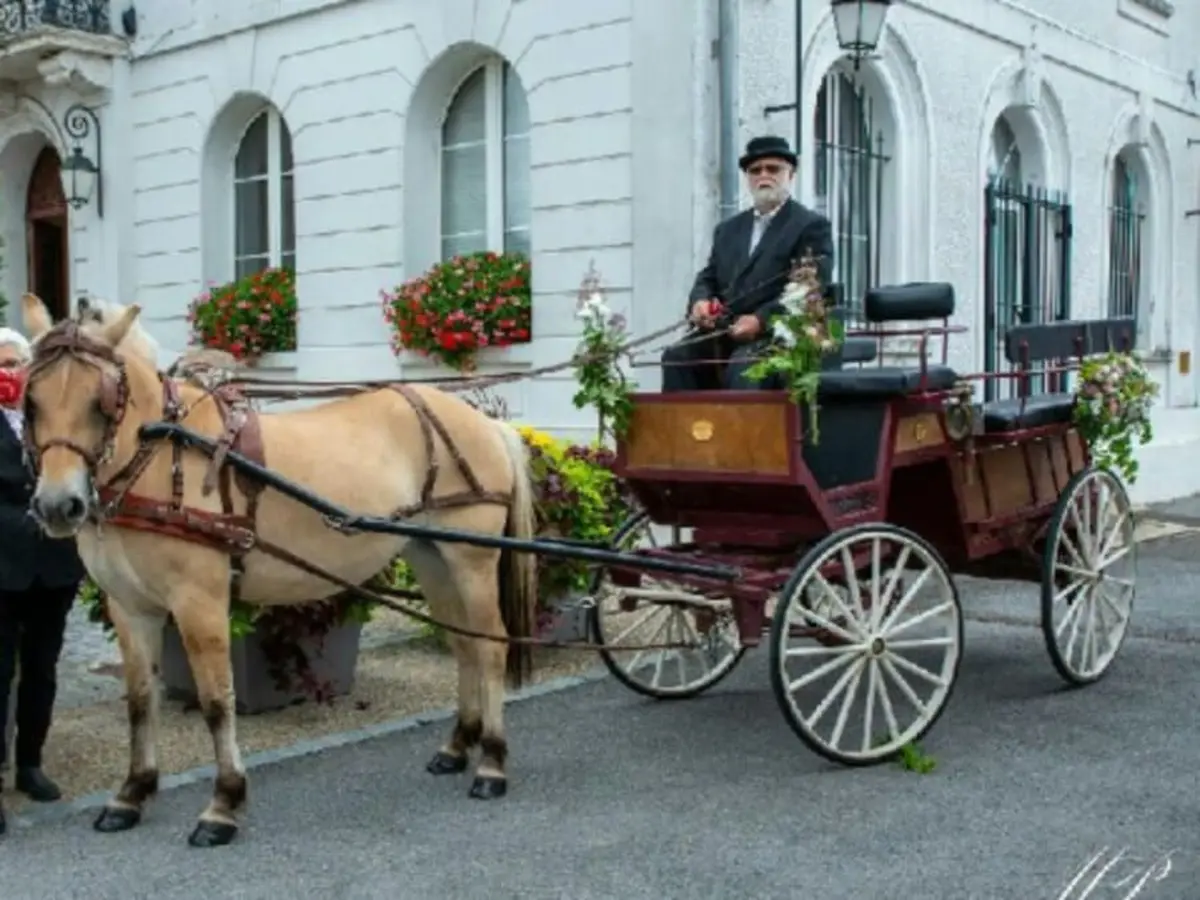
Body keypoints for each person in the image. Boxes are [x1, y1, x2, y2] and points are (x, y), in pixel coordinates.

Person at [661, 135, 835, 391]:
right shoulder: (728, 229)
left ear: (791, 174)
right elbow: (708, 277)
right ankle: (687, 431)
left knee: (747, 368)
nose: (764, 176)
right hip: (725, 332)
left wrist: (761, 320)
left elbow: (811, 289)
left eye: (773, 169)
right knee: (677, 358)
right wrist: (700, 302)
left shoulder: (809, 226)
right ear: (748, 178)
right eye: (755, 170)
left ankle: (741, 432)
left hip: (777, 334)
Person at [0, 326, 86, 836]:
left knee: (42, 669)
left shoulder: (47, 420)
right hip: (3, 566)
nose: (12, 374)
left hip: (54, 567)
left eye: (18, 364)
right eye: (4, 365)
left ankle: (30, 762)